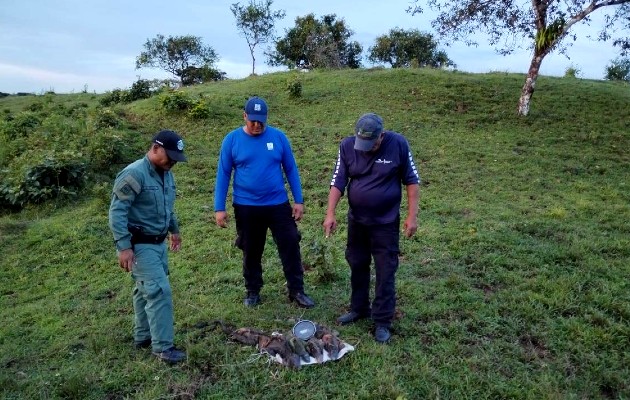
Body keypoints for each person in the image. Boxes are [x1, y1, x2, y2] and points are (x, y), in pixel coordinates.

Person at [322, 113, 420, 343]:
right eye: (362, 143)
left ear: (381, 135)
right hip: (357, 221)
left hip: (385, 223)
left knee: (386, 270)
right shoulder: (347, 146)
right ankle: (359, 308)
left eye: (372, 143)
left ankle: (383, 320)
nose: (366, 148)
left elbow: (412, 181)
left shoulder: (398, 144)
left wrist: (411, 217)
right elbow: (338, 181)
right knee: (357, 263)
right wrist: (330, 213)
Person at [214, 96, 315, 308]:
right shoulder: (232, 140)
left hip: (278, 204)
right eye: (253, 121)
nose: (257, 125)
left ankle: (296, 290)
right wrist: (219, 208)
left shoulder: (278, 137)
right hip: (246, 206)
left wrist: (299, 200)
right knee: (251, 249)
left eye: (261, 121)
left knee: (290, 244)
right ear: (244, 116)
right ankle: (253, 290)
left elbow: (291, 169)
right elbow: (223, 174)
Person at [109, 130, 188, 364]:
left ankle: (143, 336)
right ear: (155, 148)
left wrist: (174, 230)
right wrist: (124, 247)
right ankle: (163, 348)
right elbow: (117, 212)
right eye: (170, 156)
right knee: (158, 290)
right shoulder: (134, 174)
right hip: (140, 244)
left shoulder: (165, 174)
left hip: (158, 243)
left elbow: (167, 206)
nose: (173, 162)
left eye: (176, 157)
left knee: (144, 289)